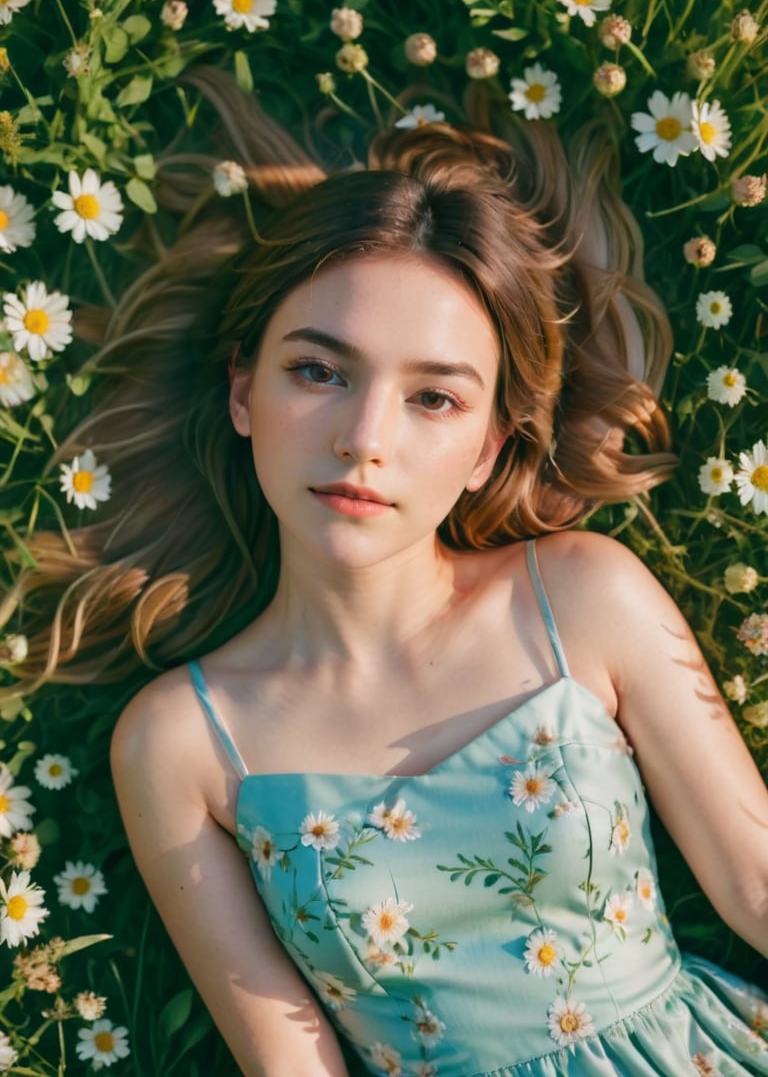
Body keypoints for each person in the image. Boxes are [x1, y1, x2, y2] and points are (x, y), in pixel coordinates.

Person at [13, 69, 768, 1076]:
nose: (364, 441)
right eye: (319, 372)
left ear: (494, 446)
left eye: (436, 399)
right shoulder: (182, 741)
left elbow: (757, 887)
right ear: (243, 389)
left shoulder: (584, 596)